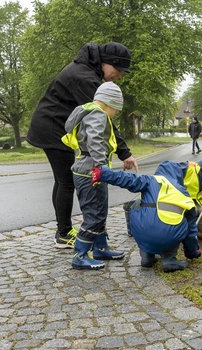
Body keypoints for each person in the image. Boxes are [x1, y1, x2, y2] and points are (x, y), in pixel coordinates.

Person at [26, 42, 139, 249]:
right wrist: (125, 153)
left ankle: (64, 230)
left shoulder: (87, 71)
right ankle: (63, 233)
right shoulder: (84, 78)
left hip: (57, 127)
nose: (120, 76)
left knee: (64, 181)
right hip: (53, 128)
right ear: (108, 63)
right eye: (119, 70)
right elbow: (103, 119)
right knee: (66, 181)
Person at [62, 81, 127, 270]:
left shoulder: (86, 111)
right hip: (92, 169)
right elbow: (95, 139)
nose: (115, 114)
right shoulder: (98, 114)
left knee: (100, 210)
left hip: (86, 168)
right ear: (109, 103)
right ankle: (79, 254)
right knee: (94, 213)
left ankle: (100, 247)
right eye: (116, 109)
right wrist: (100, 166)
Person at [91, 161, 201, 272]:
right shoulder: (183, 193)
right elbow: (191, 232)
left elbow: (126, 179)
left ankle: (146, 256)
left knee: (137, 205)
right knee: (183, 221)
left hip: (142, 232)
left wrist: (103, 173)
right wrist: (192, 253)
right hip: (169, 236)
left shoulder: (151, 180)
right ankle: (169, 259)